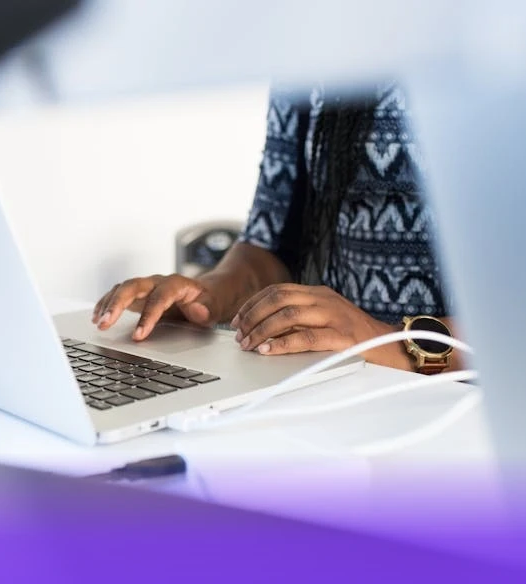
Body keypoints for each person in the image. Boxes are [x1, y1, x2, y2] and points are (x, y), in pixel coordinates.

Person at [92, 82, 463, 373]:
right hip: (340, 378)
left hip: (469, 400)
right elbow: (272, 242)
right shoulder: (310, 51)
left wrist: (387, 340)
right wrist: (208, 294)